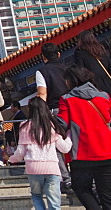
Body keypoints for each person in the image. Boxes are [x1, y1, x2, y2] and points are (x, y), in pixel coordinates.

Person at [58, 66, 111, 210]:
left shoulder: (67, 100)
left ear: (70, 81)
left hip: (82, 154)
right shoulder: (104, 96)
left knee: (81, 188)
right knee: (110, 197)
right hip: (108, 151)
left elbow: (62, 123)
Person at [9, 97, 72, 210]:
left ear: (30, 109)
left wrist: (11, 159)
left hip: (33, 168)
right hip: (51, 168)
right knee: (54, 203)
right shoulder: (50, 125)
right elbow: (64, 148)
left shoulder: (24, 126)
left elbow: (20, 152)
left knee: (37, 195)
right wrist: (69, 136)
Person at [35, 42, 72, 188]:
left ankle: (65, 177)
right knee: (73, 140)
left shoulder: (42, 71)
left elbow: (42, 93)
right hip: (72, 107)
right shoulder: (68, 69)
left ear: (43, 57)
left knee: (55, 144)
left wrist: (40, 113)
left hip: (56, 110)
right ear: (58, 54)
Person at [72, 30, 111, 122]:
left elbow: (80, 72)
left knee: (101, 119)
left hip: (95, 88)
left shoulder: (79, 53)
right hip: (109, 87)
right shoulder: (101, 50)